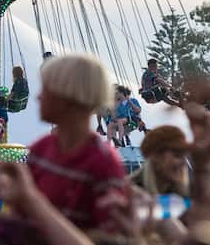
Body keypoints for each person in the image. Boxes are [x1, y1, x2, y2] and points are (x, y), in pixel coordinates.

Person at [25, 53, 131, 234]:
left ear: (69, 97)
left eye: (46, 90)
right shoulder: (41, 149)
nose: (38, 97)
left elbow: (110, 237)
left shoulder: (102, 163)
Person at [129, 125, 191, 198]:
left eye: (184, 156)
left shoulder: (188, 198)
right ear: (155, 157)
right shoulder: (124, 196)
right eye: (177, 155)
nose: (183, 162)